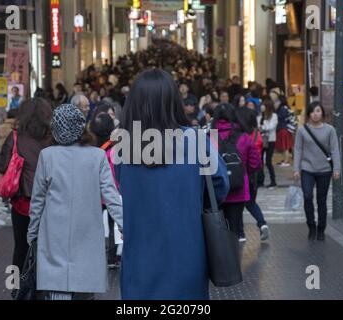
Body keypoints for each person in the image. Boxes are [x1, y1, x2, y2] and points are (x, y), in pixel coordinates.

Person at [115, 69, 229, 300]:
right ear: (173, 101)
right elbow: (220, 184)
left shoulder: (123, 146)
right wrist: (194, 200)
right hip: (187, 254)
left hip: (140, 259)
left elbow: (122, 187)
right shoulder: (195, 140)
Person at [27, 104, 123, 300]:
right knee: (85, 290)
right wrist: (124, 224)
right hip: (87, 233)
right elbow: (111, 196)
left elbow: (37, 200)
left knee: (58, 289)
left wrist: (32, 233)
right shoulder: (97, 156)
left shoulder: (48, 156)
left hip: (54, 235)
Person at [0, 98, 53, 271]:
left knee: (21, 247)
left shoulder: (15, 137)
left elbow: (2, 166)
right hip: (50, 201)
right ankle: (44, 288)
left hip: (22, 201)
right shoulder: (54, 138)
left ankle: (16, 287)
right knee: (49, 248)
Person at [212, 103, 262, 243]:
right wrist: (243, 173)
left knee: (217, 232)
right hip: (238, 190)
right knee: (234, 229)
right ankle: (233, 261)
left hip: (215, 192)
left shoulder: (208, 137)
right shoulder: (244, 137)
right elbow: (255, 164)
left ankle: (218, 261)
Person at [293, 102, 341, 241]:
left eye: (318, 111)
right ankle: (311, 226)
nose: (315, 114)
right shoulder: (302, 130)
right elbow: (297, 149)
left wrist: (336, 168)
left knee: (321, 200)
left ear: (322, 113)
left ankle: (321, 228)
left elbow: (334, 150)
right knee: (307, 196)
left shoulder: (330, 130)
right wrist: (296, 169)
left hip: (324, 170)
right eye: (313, 111)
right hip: (307, 168)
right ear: (308, 114)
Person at [90, 113, 120, 268]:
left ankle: (95, 254)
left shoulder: (89, 145)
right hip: (111, 190)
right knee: (113, 222)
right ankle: (112, 257)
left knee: (95, 224)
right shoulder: (113, 146)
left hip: (94, 191)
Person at [237, 107, 269, 241]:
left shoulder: (240, 137)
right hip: (255, 175)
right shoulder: (257, 135)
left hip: (242, 174)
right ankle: (262, 224)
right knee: (251, 203)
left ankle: (240, 233)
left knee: (237, 205)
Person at [259, 98, 278, 188]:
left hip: (270, 140)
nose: (261, 106)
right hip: (261, 140)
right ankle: (260, 180)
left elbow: (271, 127)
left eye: (263, 105)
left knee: (268, 161)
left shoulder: (274, 116)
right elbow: (257, 126)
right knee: (260, 161)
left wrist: (263, 126)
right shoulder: (259, 116)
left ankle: (273, 181)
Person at [275, 95, 294, 167]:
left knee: (285, 147)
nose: (275, 102)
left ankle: (286, 161)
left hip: (283, 129)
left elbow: (279, 118)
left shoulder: (283, 109)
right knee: (284, 146)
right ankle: (285, 160)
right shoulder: (284, 108)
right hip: (284, 129)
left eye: (277, 101)